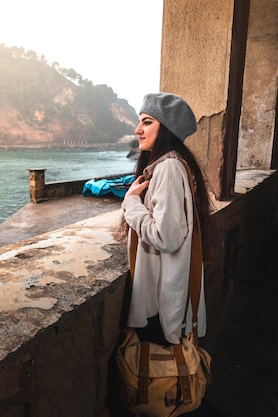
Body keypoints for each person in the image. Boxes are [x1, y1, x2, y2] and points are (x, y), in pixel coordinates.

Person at [118, 92, 213, 346]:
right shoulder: (172, 164)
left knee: (158, 379)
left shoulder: (168, 168)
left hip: (160, 303)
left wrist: (131, 203)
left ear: (168, 128)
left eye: (147, 122)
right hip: (162, 297)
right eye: (140, 121)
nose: (138, 129)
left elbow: (166, 237)